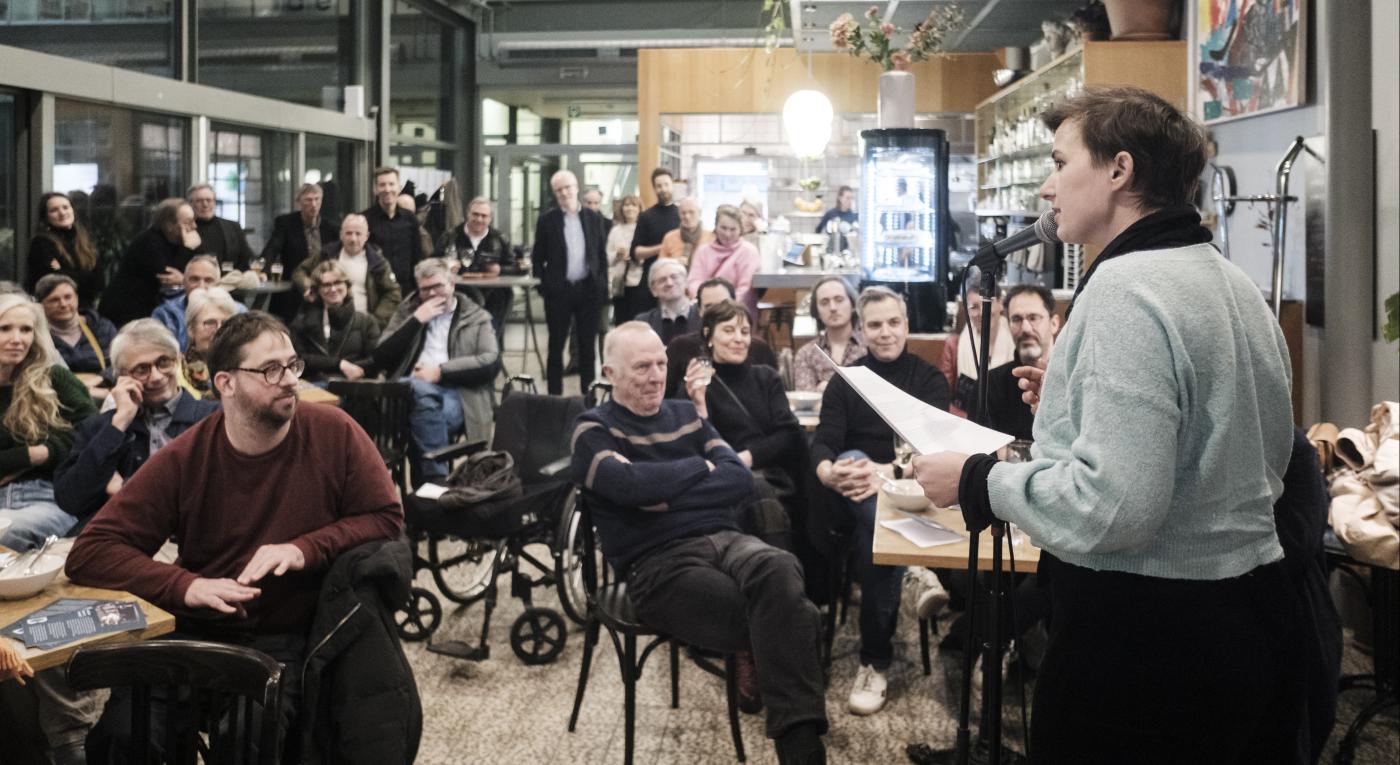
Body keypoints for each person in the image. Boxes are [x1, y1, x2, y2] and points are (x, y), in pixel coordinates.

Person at [911, 87, 1299, 762]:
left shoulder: (1125, 289)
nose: (1045, 186)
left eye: (1061, 163)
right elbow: (1247, 452)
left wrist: (979, 480)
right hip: (1251, 617)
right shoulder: (1232, 283)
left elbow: (1117, 506)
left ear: (1120, 169)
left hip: (1146, 646)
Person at [65, 311, 409, 762]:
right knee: (124, 736)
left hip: (289, 636)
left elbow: (386, 518)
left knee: (246, 739)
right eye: (270, 369)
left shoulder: (335, 432)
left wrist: (304, 548)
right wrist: (185, 585)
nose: (289, 380)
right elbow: (91, 552)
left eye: (293, 365)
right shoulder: (187, 456)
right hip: (198, 631)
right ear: (225, 383)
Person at [570, 321, 828, 765]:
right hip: (657, 563)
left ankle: (800, 751)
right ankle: (804, 750)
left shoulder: (686, 414)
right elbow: (627, 486)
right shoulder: (592, 429)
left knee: (780, 569)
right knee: (793, 615)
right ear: (609, 373)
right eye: (641, 368)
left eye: (660, 364)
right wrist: (697, 467)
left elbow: (737, 479)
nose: (655, 376)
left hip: (727, 539)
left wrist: (662, 490)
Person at [810, 286, 948, 716]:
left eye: (893, 323)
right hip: (852, 497)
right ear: (862, 330)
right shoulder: (847, 380)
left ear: (906, 326)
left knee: (878, 529)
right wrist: (830, 472)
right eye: (874, 325)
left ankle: (875, 661)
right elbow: (823, 445)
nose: (885, 332)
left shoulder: (928, 380)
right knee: (853, 467)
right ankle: (913, 570)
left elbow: (936, 453)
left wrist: (885, 473)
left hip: (914, 490)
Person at [54, 319, 220, 522]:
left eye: (164, 362)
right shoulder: (102, 426)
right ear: (121, 377)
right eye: (142, 369)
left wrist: (124, 490)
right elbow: (70, 499)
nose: (157, 377)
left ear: (178, 360)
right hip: (114, 534)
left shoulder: (211, 417)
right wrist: (119, 423)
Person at [681, 298, 807, 549]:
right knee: (753, 494)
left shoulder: (766, 377)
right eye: (728, 330)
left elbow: (789, 435)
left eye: (745, 331)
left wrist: (744, 458)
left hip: (770, 476)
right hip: (719, 480)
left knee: (760, 492)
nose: (739, 339)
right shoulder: (696, 384)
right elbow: (692, 447)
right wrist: (699, 407)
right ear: (708, 335)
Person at [373, 258, 499, 484]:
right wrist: (416, 320)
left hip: (458, 394)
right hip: (406, 393)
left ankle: (429, 486)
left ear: (451, 283)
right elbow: (381, 356)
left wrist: (441, 371)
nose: (431, 293)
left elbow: (490, 362)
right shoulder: (408, 311)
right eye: (425, 289)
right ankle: (436, 488)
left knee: (418, 406)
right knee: (418, 399)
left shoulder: (476, 316)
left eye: (437, 286)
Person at [0, 294, 98, 550]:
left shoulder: (54, 379)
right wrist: (28, 455)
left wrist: (44, 452)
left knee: (7, 531)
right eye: (5, 329)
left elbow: (93, 435)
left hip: (48, 497)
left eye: (25, 330)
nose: (17, 339)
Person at [531, 169, 609, 395]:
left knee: (587, 347)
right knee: (555, 347)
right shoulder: (547, 220)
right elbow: (538, 257)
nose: (564, 193)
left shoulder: (594, 219)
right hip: (559, 292)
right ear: (555, 193)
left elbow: (601, 255)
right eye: (558, 190)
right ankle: (554, 397)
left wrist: (601, 284)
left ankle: (588, 396)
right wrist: (544, 287)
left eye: (567, 188)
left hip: (588, 290)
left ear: (576, 188)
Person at [666, 277, 778, 398]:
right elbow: (666, 398)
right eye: (709, 307)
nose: (717, 312)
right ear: (699, 311)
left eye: (723, 305)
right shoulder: (680, 346)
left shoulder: (758, 348)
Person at [99, 198, 201, 327]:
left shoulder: (179, 241)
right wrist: (187, 250)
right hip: (125, 312)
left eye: (194, 221)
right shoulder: (149, 242)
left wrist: (183, 277)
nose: (194, 227)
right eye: (188, 222)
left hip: (148, 310)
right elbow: (168, 278)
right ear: (169, 226)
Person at [291, 213, 401, 330]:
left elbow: (393, 293)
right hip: (327, 323)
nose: (353, 239)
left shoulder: (378, 262)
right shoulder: (327, 254)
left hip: (362, 326)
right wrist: (308, 287)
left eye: (358, 234)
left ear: (366, 236)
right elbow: (300, 271)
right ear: (341, 235)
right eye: (348, 233)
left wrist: (375, 321)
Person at [987, 283, 1060, 440]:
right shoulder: (989, 386)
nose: (1025, 328)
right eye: (1017, 319)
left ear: (1054, 323)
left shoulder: (1075, 380)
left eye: (1033, 318)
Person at [291, 261, 381, 384]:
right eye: (326, 285)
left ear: (347, 285)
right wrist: (339, 364)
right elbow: (298, 360)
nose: (333, 289)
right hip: (314, 386)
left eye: (338, 283)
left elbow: (374, 360)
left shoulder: (366, 322)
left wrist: (349, 369)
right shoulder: (302, 322)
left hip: (352, 387)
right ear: (318, 289)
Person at [262, 183, 341, 321]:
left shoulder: (332, 227)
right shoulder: (285, 223)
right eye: (308, 200)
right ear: (298, 203)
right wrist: (263, 270)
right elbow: (272, 249)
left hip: (324, 288)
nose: (314, 204)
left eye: (317, 199)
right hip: (292, 289)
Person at [938, 287, 1011, 419]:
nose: (982, 312)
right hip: (965, 422)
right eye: (974, 307)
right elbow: (941, 397)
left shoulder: (1017, 341)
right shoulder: (954, 345)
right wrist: (970, 420)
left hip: (1008, 424)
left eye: (987, 304)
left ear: (1000, 303)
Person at [435, 196, 511, 323]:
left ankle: (491, 338)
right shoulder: (450, 236)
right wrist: (445, 266)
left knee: (504, 296)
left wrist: (500, 269)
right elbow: (432, 263)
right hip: (458, 292)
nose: (479, 219)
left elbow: (514, 266)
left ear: (490, 218)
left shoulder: (500, 238)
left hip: (492, 294)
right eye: (475, 214)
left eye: (484, 216)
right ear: (467, 214)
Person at [26, 192, 104, 307]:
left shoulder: (84, 240)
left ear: (73, 210)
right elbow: (56, 273)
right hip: (56, 308)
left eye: (66, 207)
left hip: (87, 309)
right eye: (54, 210)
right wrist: (85, 278)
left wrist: (74, 276)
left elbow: (99, 281)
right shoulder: (42, 243)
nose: (62, 213)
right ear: (46, 217)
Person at [152, 255, 245, 350]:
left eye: (208, 280)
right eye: (194, 279)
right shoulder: (166, 314)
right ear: (183, 282)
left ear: (218, 284)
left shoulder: (239, 311)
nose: (201, 286)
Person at [36, 274, 116, 384]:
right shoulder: (36, 335)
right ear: (41, 305)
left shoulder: (102, 328)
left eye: (68, 297)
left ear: (77, 298)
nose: (63, 304)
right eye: (54, 300)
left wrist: (101, 379)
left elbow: (121, 363)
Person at [687, 204, 761, 323]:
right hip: (706, 312)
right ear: (715, 227)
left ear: (740, 230)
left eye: (733, 229)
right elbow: (694, 281)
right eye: (723, 228)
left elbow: (745, 288)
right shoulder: (703, 251)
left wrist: (725, 309)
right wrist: (705, 303)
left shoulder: (749, 252)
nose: (727, 234)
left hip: (737, 314)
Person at [793, 276, 865, 392]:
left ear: (852, 305)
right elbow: (807, 404)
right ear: (816, 312)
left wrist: (829, 388)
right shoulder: (806, 354)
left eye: (839, 300)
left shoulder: (870, 346)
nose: (833, 308)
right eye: (824, 302)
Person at [625, 168, 680, 318]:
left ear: (672, 185)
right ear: (654, 188)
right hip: (651, 279)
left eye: (666, 185)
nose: (663, 189)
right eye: (659, 186)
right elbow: (635, 252)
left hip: (677, 279)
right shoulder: (646, 217)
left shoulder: (681, 214)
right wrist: (663, 247)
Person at [363, 167, 424, 290]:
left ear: (399, 187)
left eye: (391, 184)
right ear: (375, 189)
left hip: (407, 290)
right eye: (382, 185)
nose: (387, 189)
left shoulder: (410, 219)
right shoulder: (365, 220)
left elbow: (417, 256)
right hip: (377, 289)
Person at [182, 287, 241, 396]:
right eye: (210, 323)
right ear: (191, 329)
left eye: (225, 323)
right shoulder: (177, 373)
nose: (219, 329)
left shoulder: (244, 367)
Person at [187, 183, 255, 271]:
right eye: (199, 201)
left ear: (215, 202)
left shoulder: (233, 227)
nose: (205, 205)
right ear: (190, 204)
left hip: (230, 281)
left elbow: (247, 257)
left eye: (209, 200)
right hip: (198, 281)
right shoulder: (186, 229)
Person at [633, 258, 698, 345]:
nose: (669, 283)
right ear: (653, 290)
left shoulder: (703, 316)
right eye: (662, 280)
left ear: (686, 281)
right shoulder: (643, 322)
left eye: (674, 277)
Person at [606, 195, 641, 325]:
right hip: (620, 284)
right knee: (621, 321)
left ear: (639, 209)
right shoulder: (615, 231)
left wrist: (634, 255)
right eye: (626, 205)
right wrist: (617, 255)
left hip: (638, 282)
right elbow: (607, 259)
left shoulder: (642, 228)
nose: (629, 208)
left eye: (633, 205)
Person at [658, 196, 712, 268]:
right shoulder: (669, 237)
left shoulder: (711, 237)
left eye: (691, 212)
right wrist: (674, 262)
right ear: (679, 215)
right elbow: (660, 265)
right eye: (683, 213)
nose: (687, 216)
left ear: (699, 213)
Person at [814, 185, 858, 251]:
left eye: (852, 198)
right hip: (830, 252)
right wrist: (819, 247)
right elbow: (818, 230)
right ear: (840, 198)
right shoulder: (830, 213)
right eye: (847, 198)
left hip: (847, 253)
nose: (850, 201)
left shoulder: (854, 215)